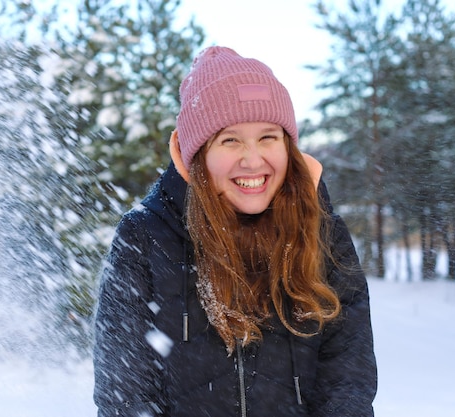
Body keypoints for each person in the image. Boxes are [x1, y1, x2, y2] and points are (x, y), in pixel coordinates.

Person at [93, 46, 377, 417]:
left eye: (268, 137)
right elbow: (124, 393)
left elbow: (347, 376)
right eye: (230, 140)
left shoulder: (321, 232)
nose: (253, 159)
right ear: (197, 155)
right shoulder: (145, 238)